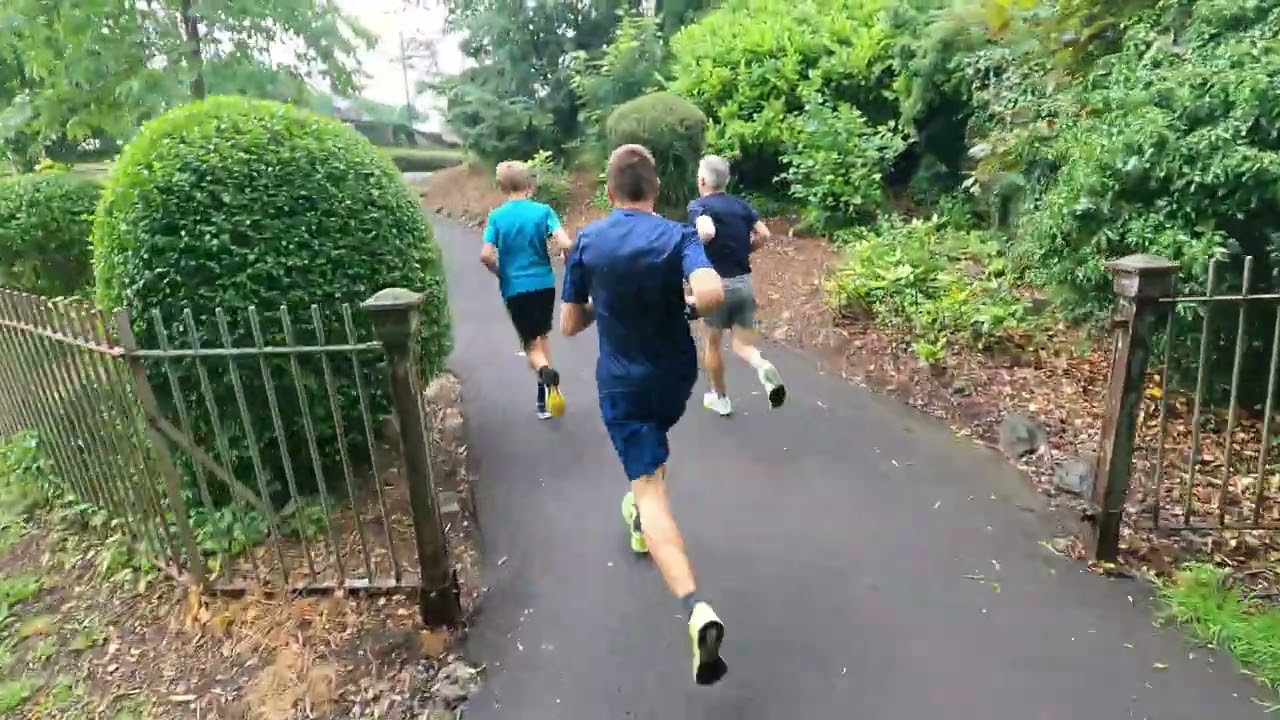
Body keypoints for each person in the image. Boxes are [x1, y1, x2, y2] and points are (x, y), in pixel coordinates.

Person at [560, 144, 729, 686]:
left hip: (623, 382)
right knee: (654, 449)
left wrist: (602, 307)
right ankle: (638, 520)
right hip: (675, 377)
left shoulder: (588, 239)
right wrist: (682, 307)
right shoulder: (677, 235)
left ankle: (695, 606)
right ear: (655, 190)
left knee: (650, 487)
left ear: (610, 192)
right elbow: (710, 291)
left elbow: (568, 324)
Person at [686, 155, 786, 416]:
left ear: (703, 180)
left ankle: (721, 398)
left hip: (715, 286)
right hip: (743, 284)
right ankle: (761, 365)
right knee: (743, 345)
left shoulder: (699, 206)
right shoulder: (741, 206)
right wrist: (745, 251)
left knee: (712, 345)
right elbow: (763, 233)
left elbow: (706, 232)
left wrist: (700, 248)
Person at [480, 161, 572, 419]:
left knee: (532, 346)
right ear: (529, 184)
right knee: (542, 336)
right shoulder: (543, 211)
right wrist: (567, 257)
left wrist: (501, 273)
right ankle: (546, 400)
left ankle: (544, 375)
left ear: (501, 186)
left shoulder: (497, 217)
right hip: (543, 284)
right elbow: (565, 241)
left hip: (515, 288)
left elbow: (485, 255)